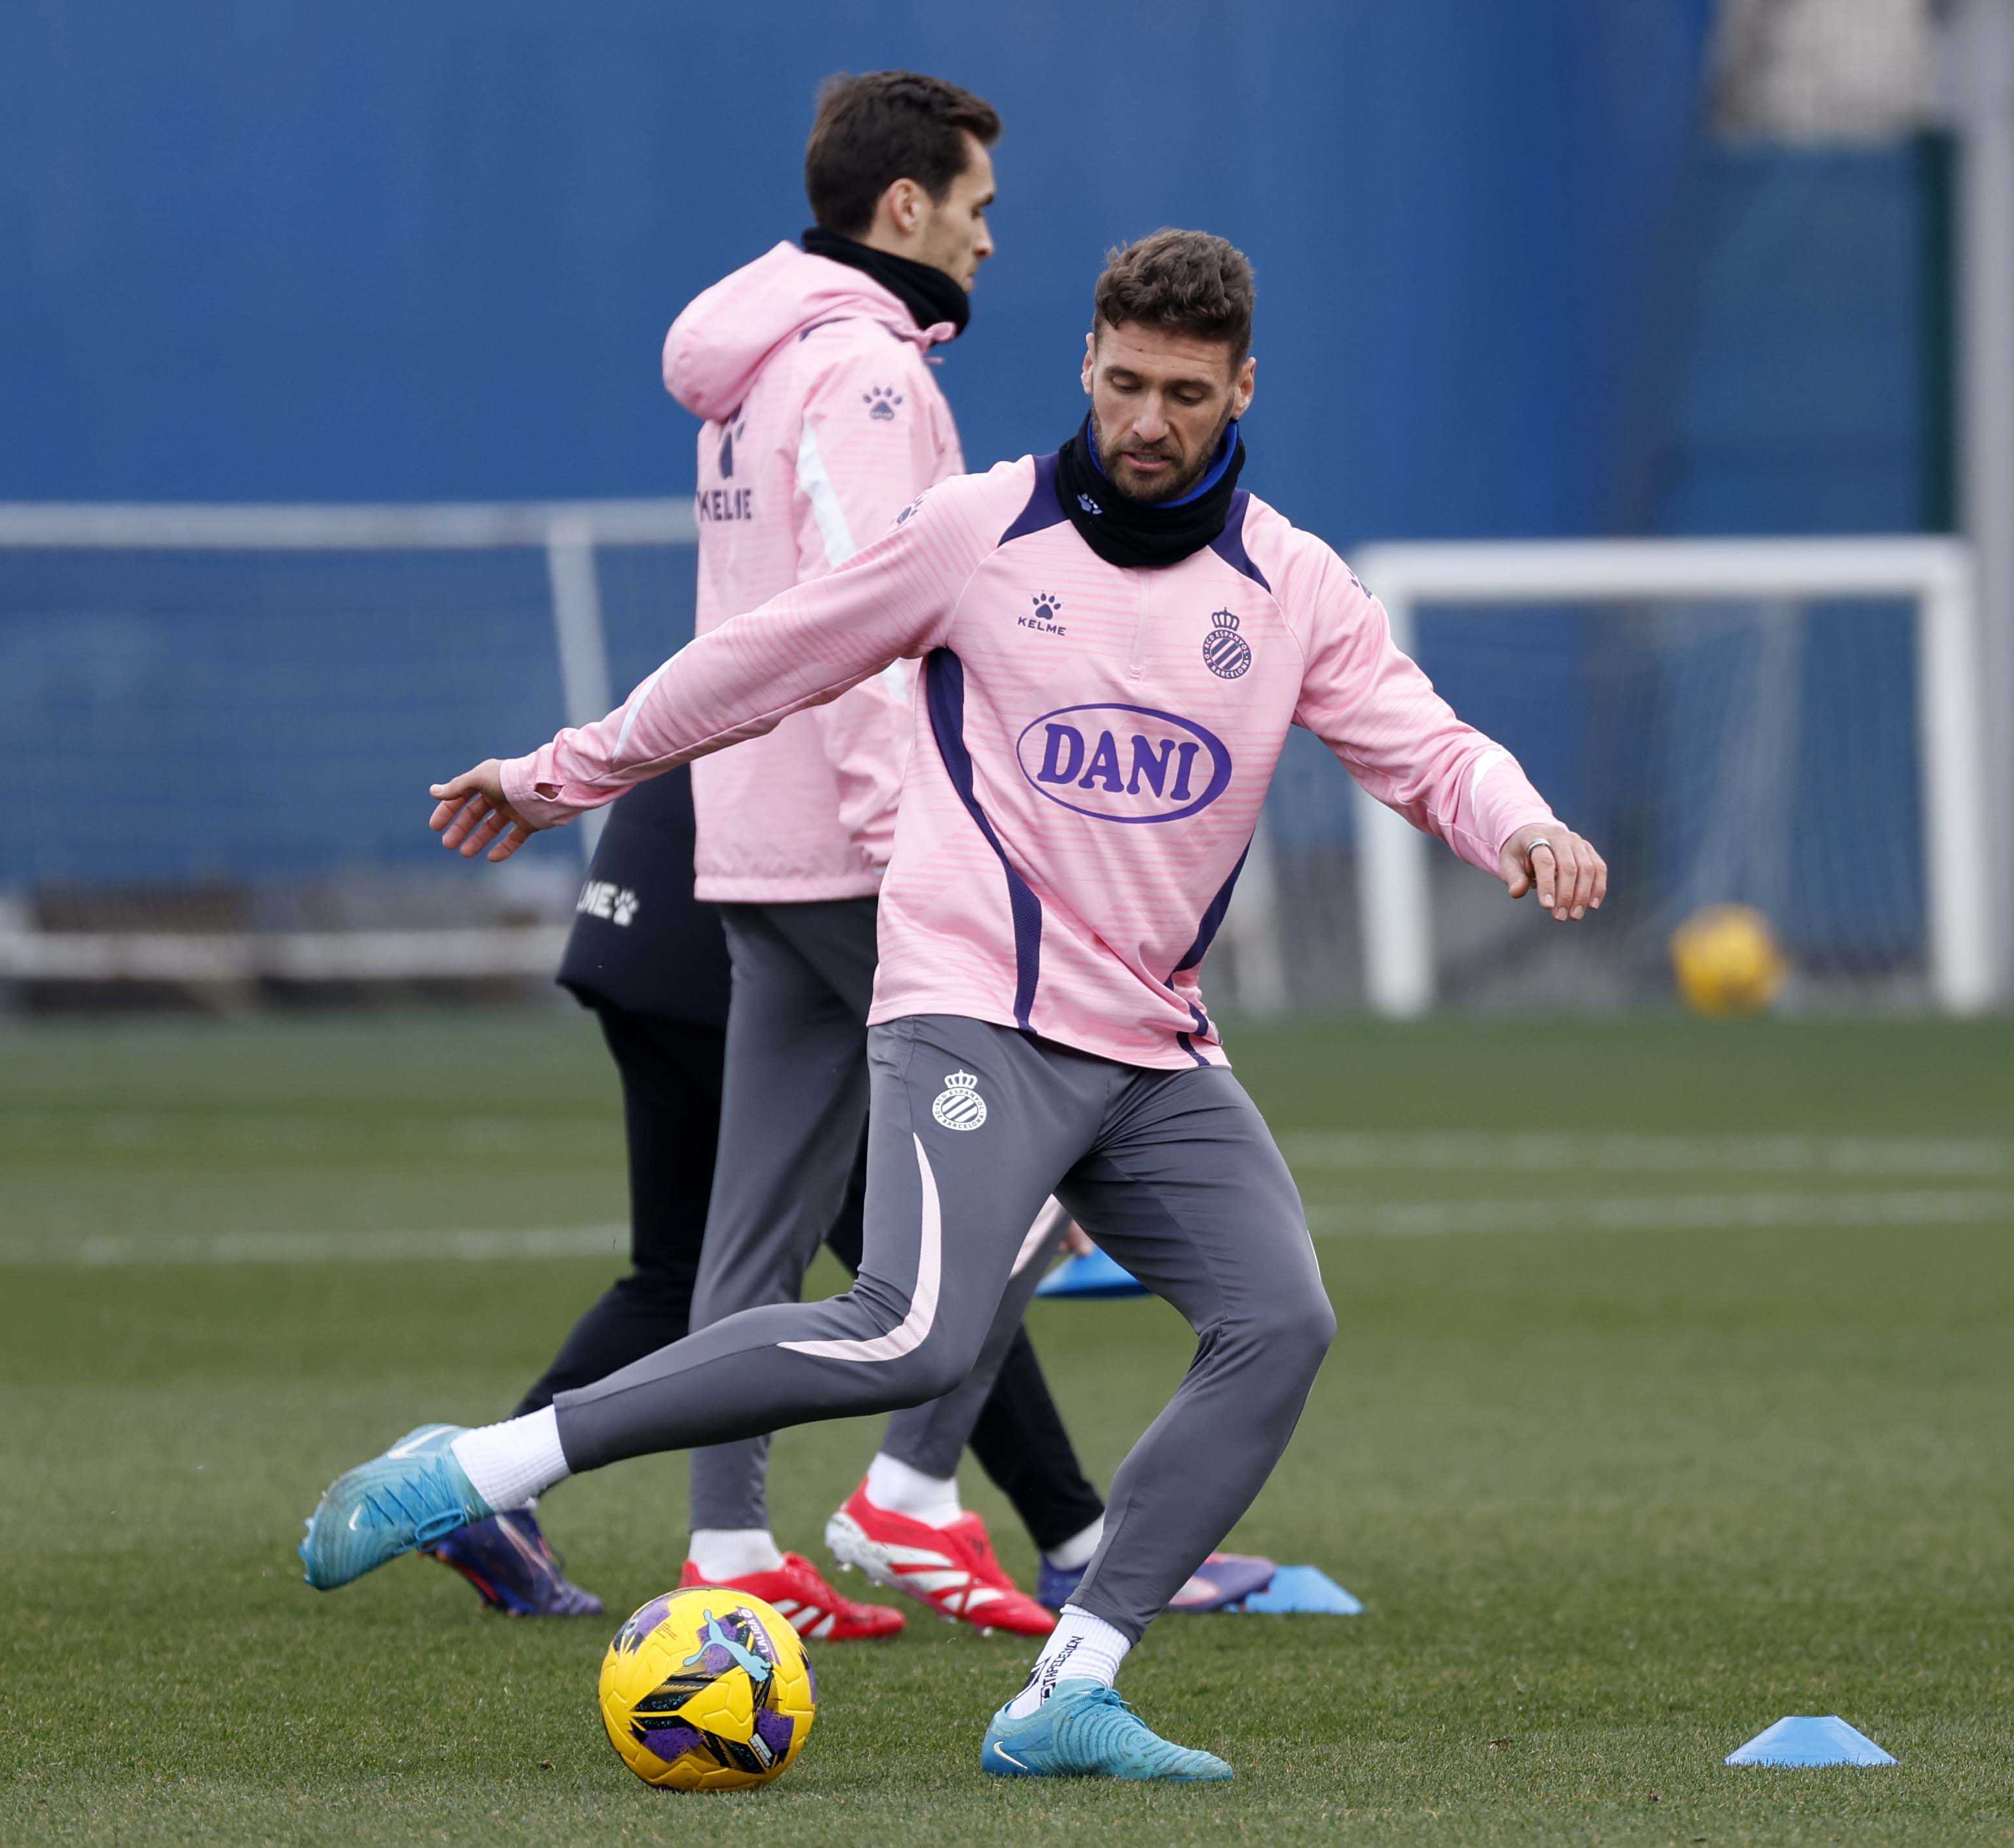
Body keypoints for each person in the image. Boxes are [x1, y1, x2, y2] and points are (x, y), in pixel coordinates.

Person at [302, 228, 1607, 1779]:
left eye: (1185, 394)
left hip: (1153, 1045)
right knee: (912, 1330)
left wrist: (1519, 819)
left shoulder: (1292, 585)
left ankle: (1071, 1688)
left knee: (1278, 1322)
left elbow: (1426, 744)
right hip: (970, 1008)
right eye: (1124, 383)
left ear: (1243, 389)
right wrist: (555, 775)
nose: (1146, 421)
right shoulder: (979, 529)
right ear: (1086, 364)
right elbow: (762, 662)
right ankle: (476, 1467)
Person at [420, 762, 1110, 1629]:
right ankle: (961, 1508)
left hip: (648, 914)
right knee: (945, 1250)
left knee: (686, 1269)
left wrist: (556, 775)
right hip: (773, 915)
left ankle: (498, 1487)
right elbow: (880, 764)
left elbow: (701, 703)